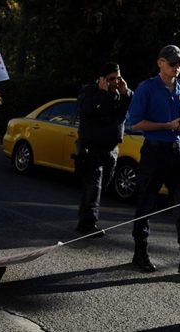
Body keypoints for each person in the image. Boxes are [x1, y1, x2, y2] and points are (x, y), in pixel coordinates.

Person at [127, 44, 180, 274]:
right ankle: (140, 253)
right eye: (173, 63)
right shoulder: (146, 88)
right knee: (146, 203)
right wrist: (167, 125)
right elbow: (135, 123)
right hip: (154, 151)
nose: (177, 67)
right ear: (160, 63)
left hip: (177, 151)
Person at [74, 62, 132, 236]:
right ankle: (87, 224)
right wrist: (102, 91)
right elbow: (89, 108)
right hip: (92, 148)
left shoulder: (120, 95)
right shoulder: (90, 92)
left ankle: (86, 216)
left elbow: (130, 108)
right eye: (111, 78)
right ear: (101, 79)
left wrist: (125, 93)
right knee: (94, 185)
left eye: (118, 77)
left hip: (111, 149)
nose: (115, 81)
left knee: (102, 185)